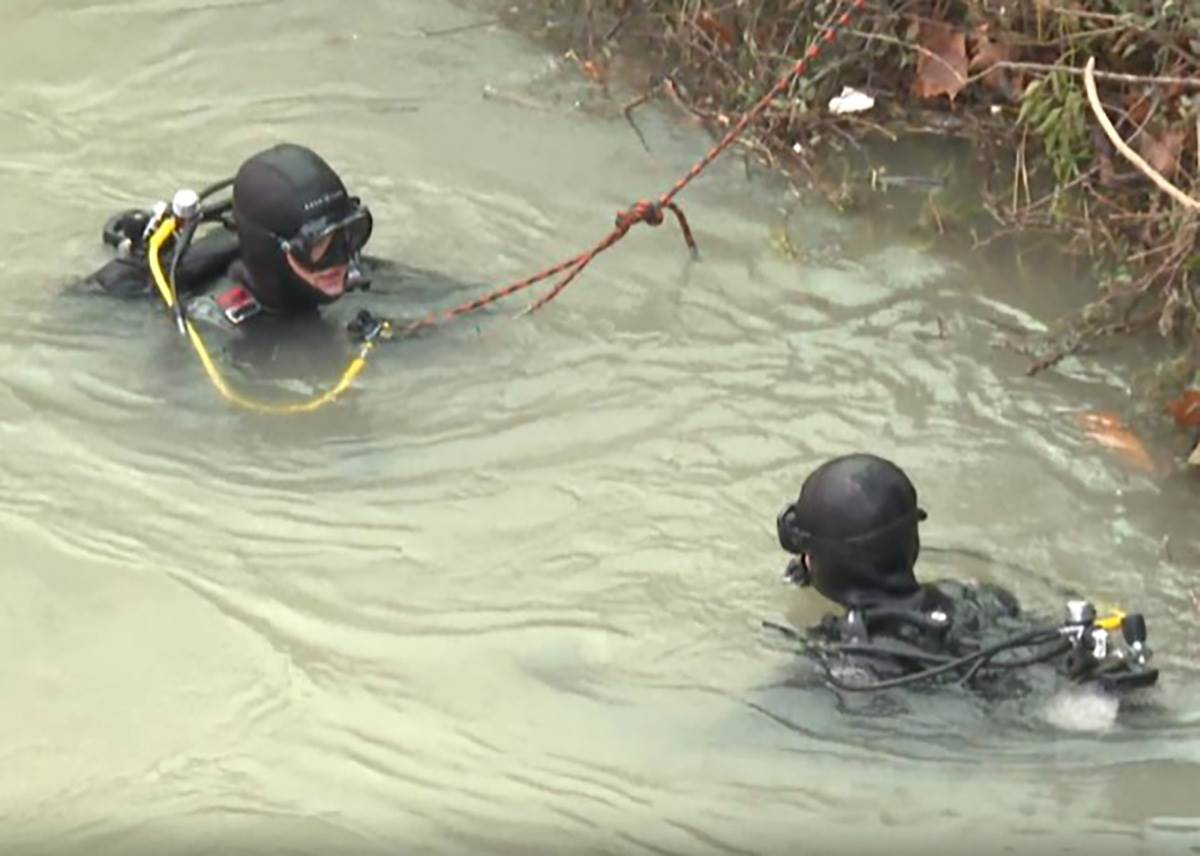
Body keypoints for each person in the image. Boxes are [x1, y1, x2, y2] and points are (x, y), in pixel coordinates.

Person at [772, 453, 1158, 695]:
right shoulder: (977, 598)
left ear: (816, 557)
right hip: (1063, 678)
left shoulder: (844, 659)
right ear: (913, 540)